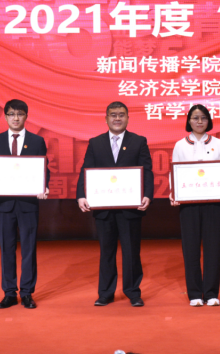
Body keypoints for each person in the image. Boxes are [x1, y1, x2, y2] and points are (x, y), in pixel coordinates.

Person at [76, 102, 154, 307]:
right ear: (106, 119)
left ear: (127, 118)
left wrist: (147, 194)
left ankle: (133, 292)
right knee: (107, 251)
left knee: (131, 251)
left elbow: (147, 170)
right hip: (104, 208)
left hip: (130, 208)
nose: (117, 118)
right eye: (113, 115)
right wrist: (81, 195)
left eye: (121, 115)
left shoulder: (138, 141)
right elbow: (86, 170)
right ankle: (106, 293)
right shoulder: (95, 143)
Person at [0, 99, 49, 310]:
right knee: (6, 248)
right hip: (4, 204)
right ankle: (9, 293)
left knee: (29, 249)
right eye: (11, 114)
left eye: (20, 114)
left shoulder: (37, 141)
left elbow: (43, 168)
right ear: (5, 117)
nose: (16, 118)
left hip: (28, 203)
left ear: (26, 116)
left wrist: (43, 186)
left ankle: (27, 293)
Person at [169, 105, 220, 307]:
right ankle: (195, 294)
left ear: (209, 121)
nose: (199, 122)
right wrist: (174, 193)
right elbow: (174, 172)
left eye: (203, 118)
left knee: (213, 247)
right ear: (188, 120)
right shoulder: (180, 145)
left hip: (213, 202)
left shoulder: (218, 143)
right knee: (190, 248)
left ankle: (212, 293)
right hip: (188, 203)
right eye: (195, 118)